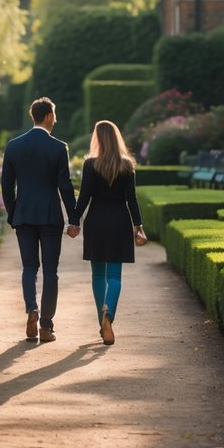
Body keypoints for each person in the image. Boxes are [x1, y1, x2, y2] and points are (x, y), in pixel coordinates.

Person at [1, 97, 78, 343]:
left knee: (29, 267)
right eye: (54, 115)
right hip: (49, 216)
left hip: (24, 214)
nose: (55, 119)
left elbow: (6, 186)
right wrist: (74, 218)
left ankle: (31, 308)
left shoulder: (13, 146)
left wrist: (13, 213)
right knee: (51, 271)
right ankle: (46, 326)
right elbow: (65, 186)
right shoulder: (58, 147)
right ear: (47, 117)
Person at [68, 120, 144, 346]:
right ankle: (108, 313)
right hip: (120, 221)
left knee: (98, 275)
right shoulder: (127, 165)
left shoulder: (91, 164)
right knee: (115, 276)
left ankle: (102, 322)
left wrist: (74, 221)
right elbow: (132, 199)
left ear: (97, 139)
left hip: (96, 221)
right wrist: (138, 225)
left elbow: (84, 197)